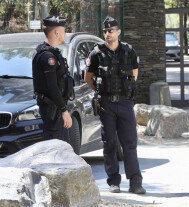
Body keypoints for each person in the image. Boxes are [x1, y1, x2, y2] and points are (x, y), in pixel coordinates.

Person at [84, 17, 146, 195]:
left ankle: (135, 182)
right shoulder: (96, 53)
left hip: (125, 103)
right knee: (109, 143)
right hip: (106, 105)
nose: (107, 34)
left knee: (130, 144)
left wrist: (124, 92)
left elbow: (134, 74)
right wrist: (101, 91)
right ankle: (113, 182)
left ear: (119, 32)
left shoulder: (129, 51)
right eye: (105, 31)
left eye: (111, 31)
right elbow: (88, 77)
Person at [32, 15, 73, 142]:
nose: (65, 34)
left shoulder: (50, 52)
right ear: (56, 33)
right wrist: (64, 110)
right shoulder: (48, 57)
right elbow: (52, 86)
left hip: (54, 108)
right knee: (56, 147)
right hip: (53, 110)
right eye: (64, 31)